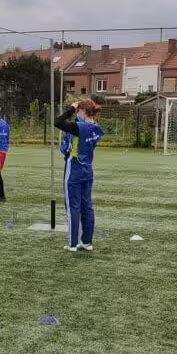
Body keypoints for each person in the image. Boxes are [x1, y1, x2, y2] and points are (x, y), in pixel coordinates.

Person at [55, 99, 104, 252]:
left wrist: (71, 109)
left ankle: (72, 243)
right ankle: (87, 242)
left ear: (82, 111)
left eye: (78, 110)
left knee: (73, 206)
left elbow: (58, 122)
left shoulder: (79, 127)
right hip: (88, 169)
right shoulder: (96, 127)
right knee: (87, 206)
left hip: (75, 167)